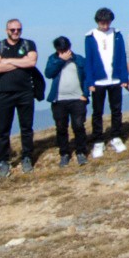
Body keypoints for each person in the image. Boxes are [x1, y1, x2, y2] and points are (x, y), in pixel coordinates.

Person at [0, 20, 39, 177]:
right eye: (12, 30)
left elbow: (32, 62)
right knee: (3, 130)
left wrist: (8, 61)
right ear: (7, 31)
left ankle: (27, 157)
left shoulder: (29, 44)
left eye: (18, 29)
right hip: (4, 93)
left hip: (25, 92)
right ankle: (3, 160)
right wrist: (21, 62)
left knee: (26, 128)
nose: (16, 32)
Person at [84, 8, 129, 158]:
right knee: (97, 112)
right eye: (102, 22)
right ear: (97, 21)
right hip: (98, 81)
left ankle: (116, 136)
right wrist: (89, 81)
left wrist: (124, 78)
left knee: (116, 109)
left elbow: (122, 56)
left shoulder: (117, 34)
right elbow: (88, 60)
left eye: (107, 22)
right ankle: (98, 140)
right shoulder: (90, 36)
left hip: (115, 79)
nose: (105, 25)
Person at [43, 36, 92, 165]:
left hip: (77, 99)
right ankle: (64, 153)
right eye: (61, 50)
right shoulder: (53, 59)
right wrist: (60, 60)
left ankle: (81, 152)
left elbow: (87, 77)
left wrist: (85, 95)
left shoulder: (79, 59)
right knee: (61, 127)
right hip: (59, 100)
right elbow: (49, 73)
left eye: (66, 49)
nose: (64, 52)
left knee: (79, 126)